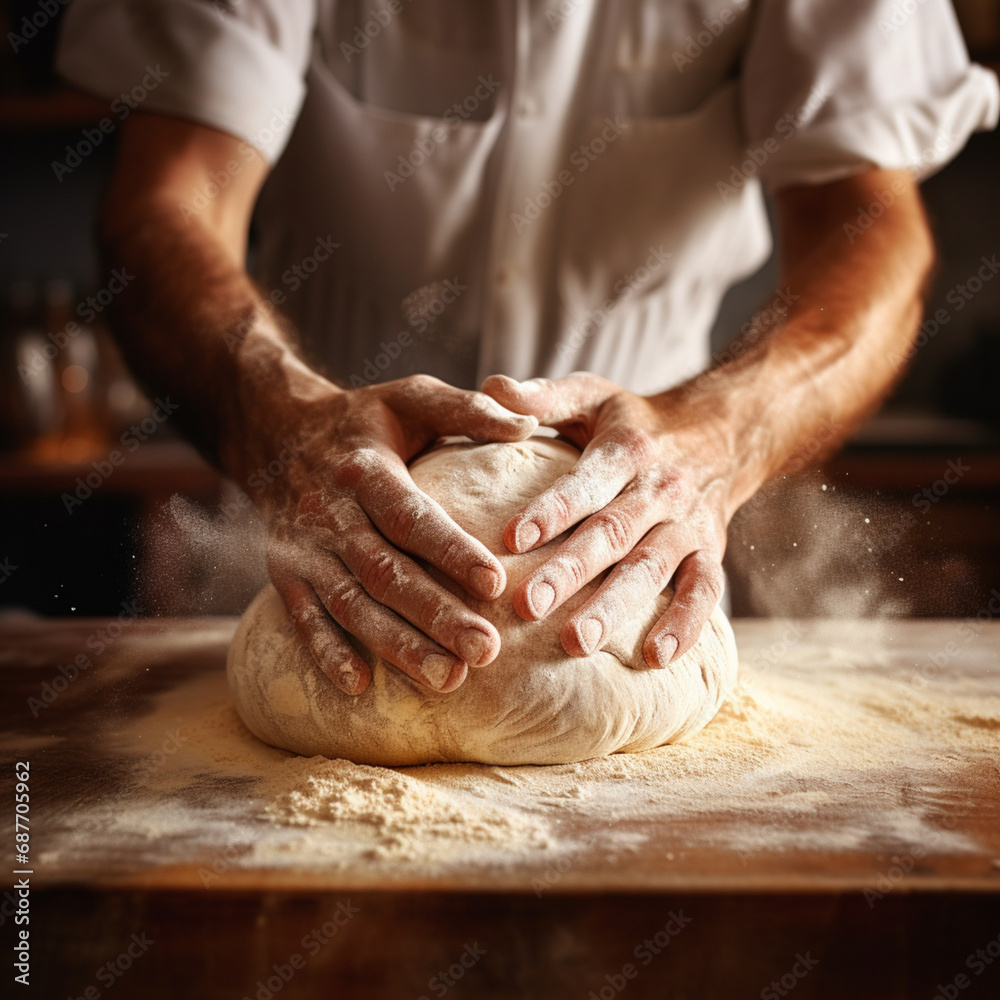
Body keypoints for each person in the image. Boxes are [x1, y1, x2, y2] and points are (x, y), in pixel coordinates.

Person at [57, 1, 997, 696]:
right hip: (318, 538)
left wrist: (715, 443)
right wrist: (287, 429)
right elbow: (166, 206)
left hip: (651, 543)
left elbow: (872, 236)